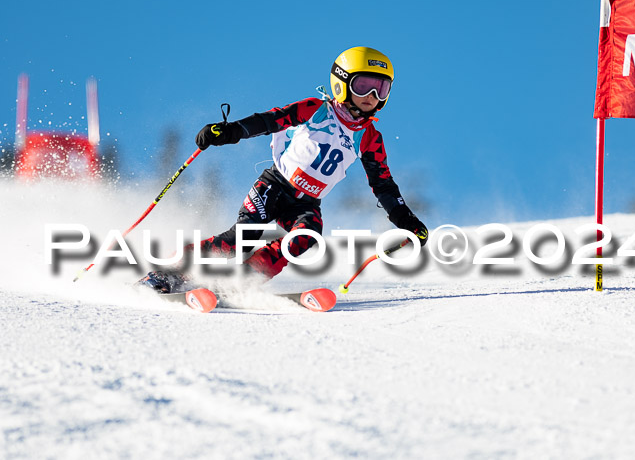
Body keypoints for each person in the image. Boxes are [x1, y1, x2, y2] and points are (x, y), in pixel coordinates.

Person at [140, 46, 428, 293]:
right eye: (363, 85)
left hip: (306, 203)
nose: (372, 95)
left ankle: (240, 281)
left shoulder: (370, 138)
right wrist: (230, 131)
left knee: (306, 238)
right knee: (242, 237)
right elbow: (270, 121)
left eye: (382, 88)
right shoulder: (316, 110)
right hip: (274, 187)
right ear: (341, 83)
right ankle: (167, 273)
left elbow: (384, 186)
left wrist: (407, 221)